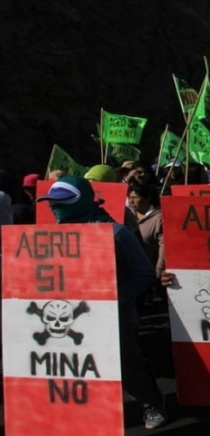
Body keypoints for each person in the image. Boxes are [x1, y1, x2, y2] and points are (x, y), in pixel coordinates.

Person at [37, 177, 166, 429]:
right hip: (70, 317)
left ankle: (151, 403)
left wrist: (112, 299)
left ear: (82, 201)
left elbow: (144, 273)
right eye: (52, 202)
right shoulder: (52, 235)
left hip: (115, 316)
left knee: (127, 364)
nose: (54, 207)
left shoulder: (116, 233)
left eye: (62, 202)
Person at [127, 182, 165, 277]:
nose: (131, 201)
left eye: (135, 198)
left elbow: (163, 250)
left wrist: (158, 273)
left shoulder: (159, 219)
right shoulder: (127, 217)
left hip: (150, 272)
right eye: (129, 197)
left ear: (147, 198)